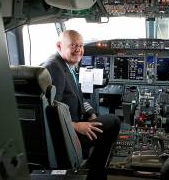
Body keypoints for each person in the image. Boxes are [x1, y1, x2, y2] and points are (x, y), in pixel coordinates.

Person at [41, 30, 120, 180]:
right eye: (73, 45)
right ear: (59, 46)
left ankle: (91, 160)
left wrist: (90, 113)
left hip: (74, 123)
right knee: (114, 121)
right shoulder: (54, 68)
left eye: (81, 45)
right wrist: (77, 126)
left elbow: (78, 97)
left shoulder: (66, 65)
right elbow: (49, 112)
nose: (79, 50)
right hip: (67, 134)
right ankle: (95, 171)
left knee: (99, 116)